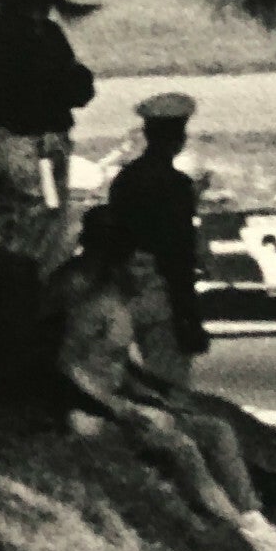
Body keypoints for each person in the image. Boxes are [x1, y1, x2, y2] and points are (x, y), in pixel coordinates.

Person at [47, 207, 276, 551]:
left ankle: (255, 519)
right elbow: (67, 363)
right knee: (182, 446)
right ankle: (243, 532)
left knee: (216, 430)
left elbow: (118, 365)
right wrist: (120, 407)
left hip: (120, 401)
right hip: (89, 410)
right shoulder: (91, 302)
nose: (149, 276)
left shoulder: (120, 305)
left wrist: (153, 395)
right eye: (139, 267)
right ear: (117, 263)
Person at [0, 0, 96, 276]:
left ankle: (10, 277)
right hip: (38, 145)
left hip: (4, 141)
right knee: (43, 220)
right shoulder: (44, 36)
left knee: (7, 218)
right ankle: (32, 282)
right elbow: (76, 88)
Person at [107, 91, 208, 383]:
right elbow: (179, 252)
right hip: (161, 291)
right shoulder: (177, 186)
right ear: (179, 138)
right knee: (169, 383)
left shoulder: (124, 180)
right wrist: (188, 316)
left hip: (124, 289)